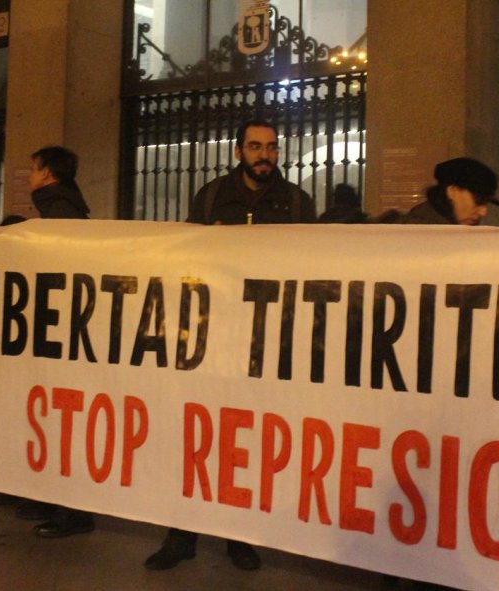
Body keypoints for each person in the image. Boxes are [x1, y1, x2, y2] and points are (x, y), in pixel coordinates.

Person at [145, 119, 316, 573]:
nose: (265, 155)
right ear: (239, 150)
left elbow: (316, 264)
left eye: (272, 148)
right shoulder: (210, 197)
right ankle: (181, 535)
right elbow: (185, 254)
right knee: (196, 435)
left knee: (247, 439)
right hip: (212, 335)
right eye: (256, 147)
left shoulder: (298, 202)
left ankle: (239, 537)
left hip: (264, 341)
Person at [17, 145, 95, 537]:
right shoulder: (61, 206)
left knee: (63, 420)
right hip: (59, 328)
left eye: (32, 168)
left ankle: (72, 510)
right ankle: (53, 499)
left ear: (47, 173)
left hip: (61, 329)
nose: (29, 176)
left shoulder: (59, 211)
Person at [386, 157, 499, 226]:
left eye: (486, 203)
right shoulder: (420, 233)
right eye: (478, 201)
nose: (483, 212)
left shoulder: (436, 227)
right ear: (452, 191)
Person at [29, 146, 90, 219]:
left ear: (45, 173)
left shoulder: (59, 208)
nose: (30, 176)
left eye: (33, 170)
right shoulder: (66, 198)